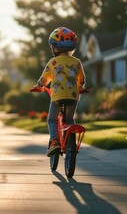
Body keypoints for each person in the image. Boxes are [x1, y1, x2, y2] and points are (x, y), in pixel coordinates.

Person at [31, 27, 86, 157]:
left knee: (52, 120)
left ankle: (55, 141)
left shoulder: (53, 62)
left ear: (55, 47)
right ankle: (70, 145)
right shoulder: (77, 62)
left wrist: (39, 86)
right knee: (69, 118)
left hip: (57, 97)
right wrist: (80, 87)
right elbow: (81, 79)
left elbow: (44, 79)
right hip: (73, 97)